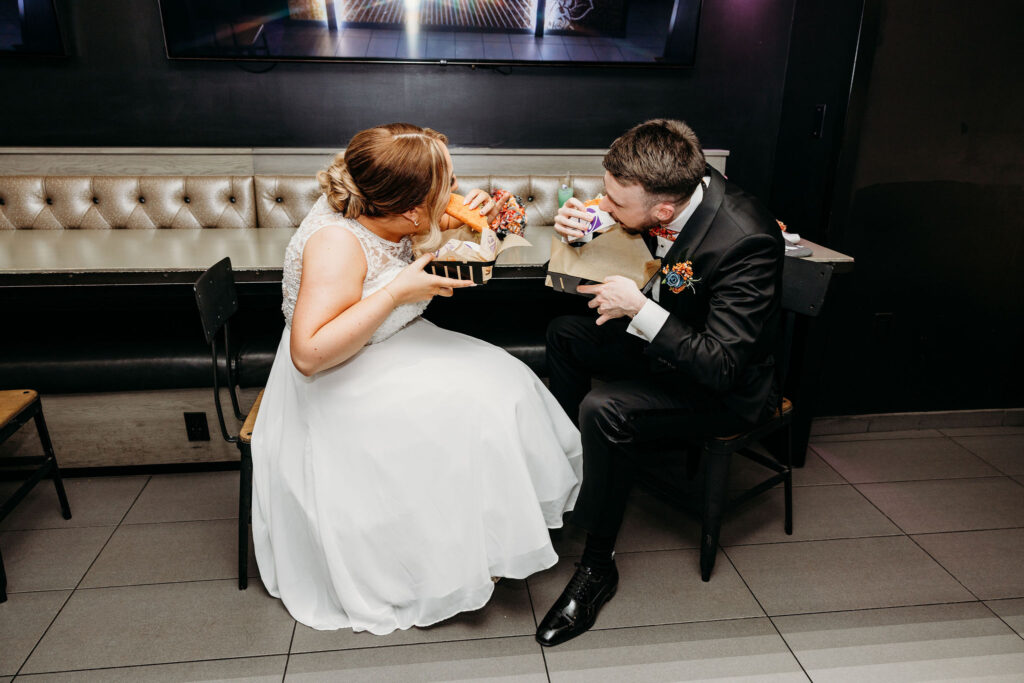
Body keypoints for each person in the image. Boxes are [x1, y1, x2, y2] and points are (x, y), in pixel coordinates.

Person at [250, 122, 582, 634]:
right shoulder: (336, 244)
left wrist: (473, 219)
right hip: (337, 376)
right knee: (468, 413)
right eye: (445, 186)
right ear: (410, 210)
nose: (454, 189)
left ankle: (488, 536)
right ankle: (443, 555)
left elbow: (425, 232)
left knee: (508, 382)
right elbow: (308, 355)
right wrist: (396, 293)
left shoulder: (377, 204)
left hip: (387, 344)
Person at [535, 119, 784, 646]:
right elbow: (640, 225)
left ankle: (597, 567)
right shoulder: (675, 183)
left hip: (724, 389)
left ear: (665, 209)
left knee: (605, 408)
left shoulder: (748, 241)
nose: (605, 202)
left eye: (614, 201)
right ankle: (571, 471)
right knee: (565, 334)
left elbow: (722, 365)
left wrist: (640, 309)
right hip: (672, 347)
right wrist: (590, 223)